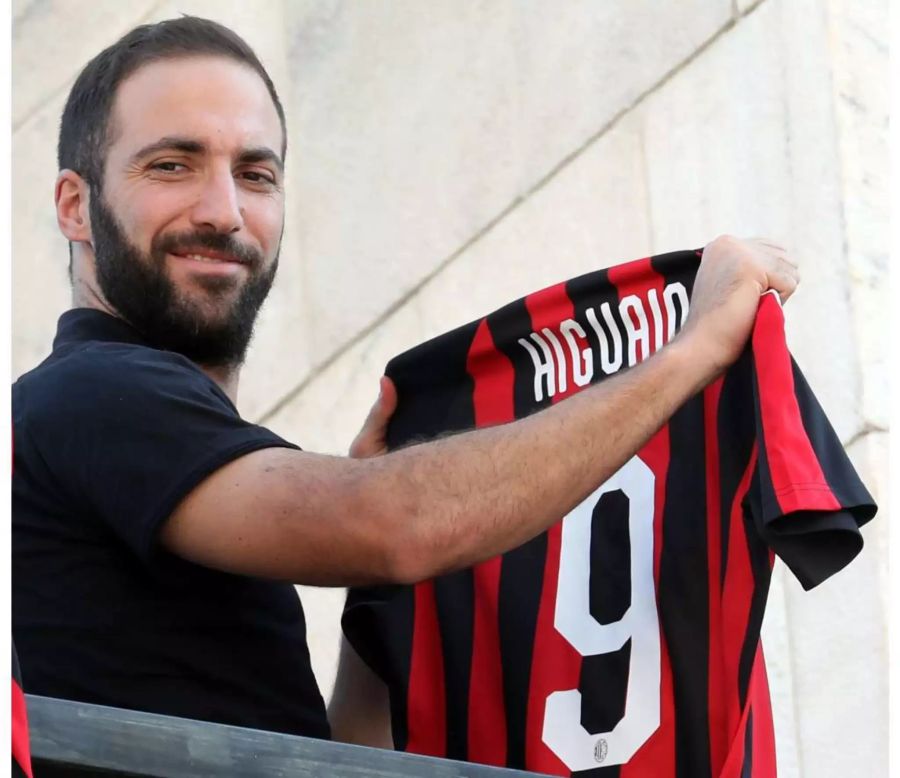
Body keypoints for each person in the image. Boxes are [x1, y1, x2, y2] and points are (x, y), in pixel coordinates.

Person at [11, 16, 798, 740]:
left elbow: (348, 749)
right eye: (172, 164)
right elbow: (395, 528)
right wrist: (691, 355)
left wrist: (377, 594)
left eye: (256, 174)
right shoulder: (90, 393)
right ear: (76, 207)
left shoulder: (146, 443)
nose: (223, 209)